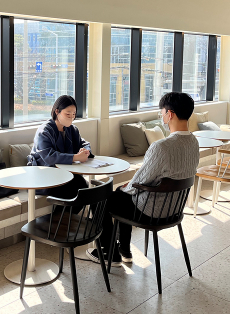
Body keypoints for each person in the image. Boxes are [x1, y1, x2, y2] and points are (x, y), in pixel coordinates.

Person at [87, 92, 200, 267]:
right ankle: (124, 249)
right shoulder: (194, 142)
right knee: (122, 196)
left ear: (170, 114)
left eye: (162, 112)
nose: (161, 116)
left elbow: (141, 180)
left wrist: (126, 187)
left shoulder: (161, 146)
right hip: (175, 209)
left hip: (152, 211)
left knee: (101, 198)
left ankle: (110, 252)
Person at [27, 95, 93, 199]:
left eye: (74, 114)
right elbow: (49, 157)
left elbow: (84, 143)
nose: (71, 117)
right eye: (68, 114)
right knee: (76, 187)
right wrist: (76, 157)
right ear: (57, 111)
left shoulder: (72, 129)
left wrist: (85, 151)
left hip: (63, 173)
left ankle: (94, 209)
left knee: (83, 186)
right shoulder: (44, 131)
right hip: (43, 174)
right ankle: (62, 210)